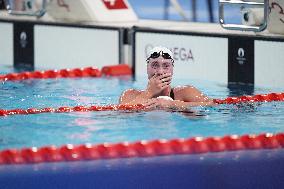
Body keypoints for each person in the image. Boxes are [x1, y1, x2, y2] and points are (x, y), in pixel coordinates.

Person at [119, 46, 215, 110]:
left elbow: (212, 105)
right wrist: (148, 93)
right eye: (155, 65)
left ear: (172, 70)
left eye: (166, 66)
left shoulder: (185, 92)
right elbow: (121, 115)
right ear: (147, 68)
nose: (160, 72)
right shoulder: (129, 95)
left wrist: (173, 104)